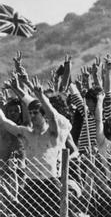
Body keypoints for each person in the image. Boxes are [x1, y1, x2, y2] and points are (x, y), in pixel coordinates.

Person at [0, 84, 72, 217]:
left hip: (50, 181)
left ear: (43, 115)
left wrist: (40, 97)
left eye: (35, 113)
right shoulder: (26, 133)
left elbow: (52, 116)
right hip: (32, 183)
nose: (32, 115)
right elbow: (4, 122)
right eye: (30, 113)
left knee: (65, 213)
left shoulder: (52, 133)